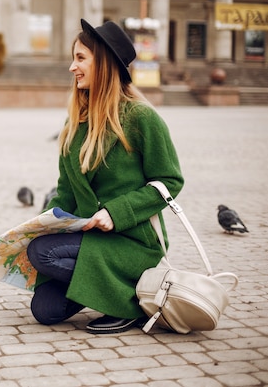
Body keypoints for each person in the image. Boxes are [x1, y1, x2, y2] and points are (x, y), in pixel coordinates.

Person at [26, 19, 184, 334]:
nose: (72, 67)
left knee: (42, 253)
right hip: (92, 239)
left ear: (106, 63)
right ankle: (105, 291)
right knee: (46, 309)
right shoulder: (75, 124)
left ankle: (133, 305)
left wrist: (116, 212)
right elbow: (65, 193)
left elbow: (170, 181)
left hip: (132, 241)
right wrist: (33, 227)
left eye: (81, 58)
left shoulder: (141, 117)